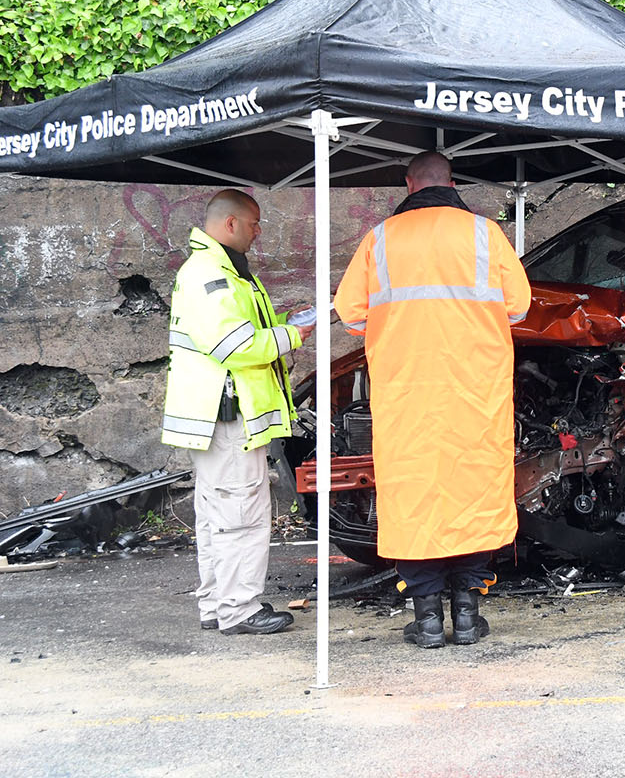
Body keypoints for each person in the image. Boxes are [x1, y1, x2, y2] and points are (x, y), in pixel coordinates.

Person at [334, 152, 531, 648]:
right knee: (474, 491)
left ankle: (426, 621)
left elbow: (351, 314)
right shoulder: (486, 234)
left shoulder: (380, 239)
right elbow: (519, 307)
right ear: (452, 182)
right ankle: (466, 615)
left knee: (413, 495)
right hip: (475, 393)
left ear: (409, 184)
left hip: (407, 394)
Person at [161, 190, 314, 635]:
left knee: (219, 515)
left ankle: (217, 604)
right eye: (254, 223)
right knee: (241, 515)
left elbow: (241, 330)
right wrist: (294, 335)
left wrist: (286, 321)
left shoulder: (218, 270)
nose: (258, 231)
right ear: (231, 224)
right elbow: (236, 346)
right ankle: (239, 610)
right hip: (227, 419)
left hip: (216, 417)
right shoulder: (213, 275)